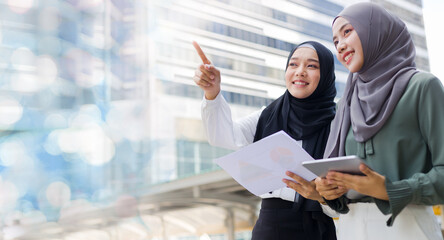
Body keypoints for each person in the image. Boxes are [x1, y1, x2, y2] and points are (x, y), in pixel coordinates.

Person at [312, 2, 444, 240]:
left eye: (347, 31)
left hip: (408, 228)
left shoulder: (422, 87)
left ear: (376, 31)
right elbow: (341, 190)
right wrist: (327, 192)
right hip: (351, 229)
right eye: (335, 41)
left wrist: (391, 190)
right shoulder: (347, 103)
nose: (340, 45)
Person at [192, 40, 337, 240]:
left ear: (327, 75)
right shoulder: (268, 115)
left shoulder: (338, 124)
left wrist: (319, 195)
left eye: (311, 66)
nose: (300, 71)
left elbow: (346, 200)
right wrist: (212, 93)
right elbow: (223, 136)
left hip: (317, 226)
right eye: (293, 64)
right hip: (270, 226)